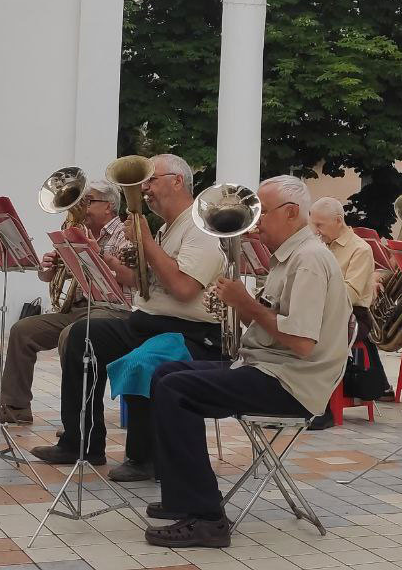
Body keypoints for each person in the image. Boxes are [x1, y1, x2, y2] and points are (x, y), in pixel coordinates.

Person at [143, 176, 350, 549]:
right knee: (166, 374)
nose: (255, 223)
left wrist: (246, 304)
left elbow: (301, 343)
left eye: (263, 213)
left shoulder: (309, 260)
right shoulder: (290, 257)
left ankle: (206, 518)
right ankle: (183, 497)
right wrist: (240, 309)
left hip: (292, 382)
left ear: (290, 214)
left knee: (176, 388)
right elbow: (275, 325)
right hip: (269, 368)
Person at [30, 154, 224, 483]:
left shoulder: (199, 228)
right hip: (150, 322)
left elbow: (182, 288)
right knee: (83, 336)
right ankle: (82, 443)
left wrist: (146, 243)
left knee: (140, 360)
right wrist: (100, 258)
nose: (144, 188)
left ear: (177, 182)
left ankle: (145, 457)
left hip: (190, 333)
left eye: (151, 179)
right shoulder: (167, 228)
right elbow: (142, 282)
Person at [0, 180, 132, 425]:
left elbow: (130, 278)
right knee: (22, 330)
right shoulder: (78, 232)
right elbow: (50, 277)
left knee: (73, 336)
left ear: (109, 206)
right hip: (78, 309)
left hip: (112, 311)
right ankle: (15, 407)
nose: (82, 207)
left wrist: (96, 254)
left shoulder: (125, 234)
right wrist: (48, 269)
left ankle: (78, 422)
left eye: (88, 201)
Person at [308, 196, 390, 430]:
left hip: (352, 315)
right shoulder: (320, 245)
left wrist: (313, 289)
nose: (316, 230)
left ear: (338, 220)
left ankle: (322, 409)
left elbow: (349, 295)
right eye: (313, 224)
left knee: (315, 338)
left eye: (320, 225)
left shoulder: (360, 249)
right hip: (321, 308)